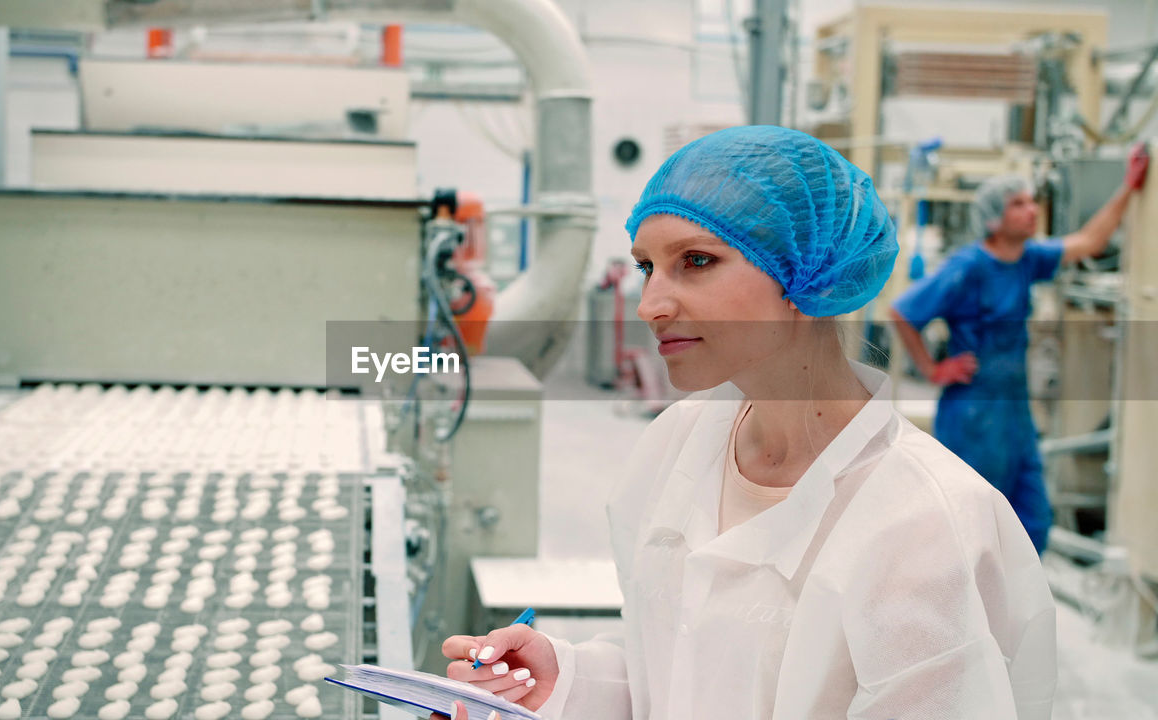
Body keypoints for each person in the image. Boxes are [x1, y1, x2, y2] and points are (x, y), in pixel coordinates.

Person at [434, 126, 1057, 720]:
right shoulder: (675, 445)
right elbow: (687, 671)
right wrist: (568, 684)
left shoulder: (923, 524)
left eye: (697, 261)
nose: (651, 305)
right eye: (648, 266)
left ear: (804, 273)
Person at [890, 146, 1149, 555]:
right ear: (993, 219)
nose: (1032, 210)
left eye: (1031, 201)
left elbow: (1090, 241)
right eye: (1018, 204)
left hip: (1014, 412)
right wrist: (932, 369)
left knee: (1031, 523)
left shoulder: (1028, 259)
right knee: (970, 528)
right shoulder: (968, 267)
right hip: (973, 412)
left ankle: (1016, 615)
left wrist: (1129, 187)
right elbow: (903, 312)